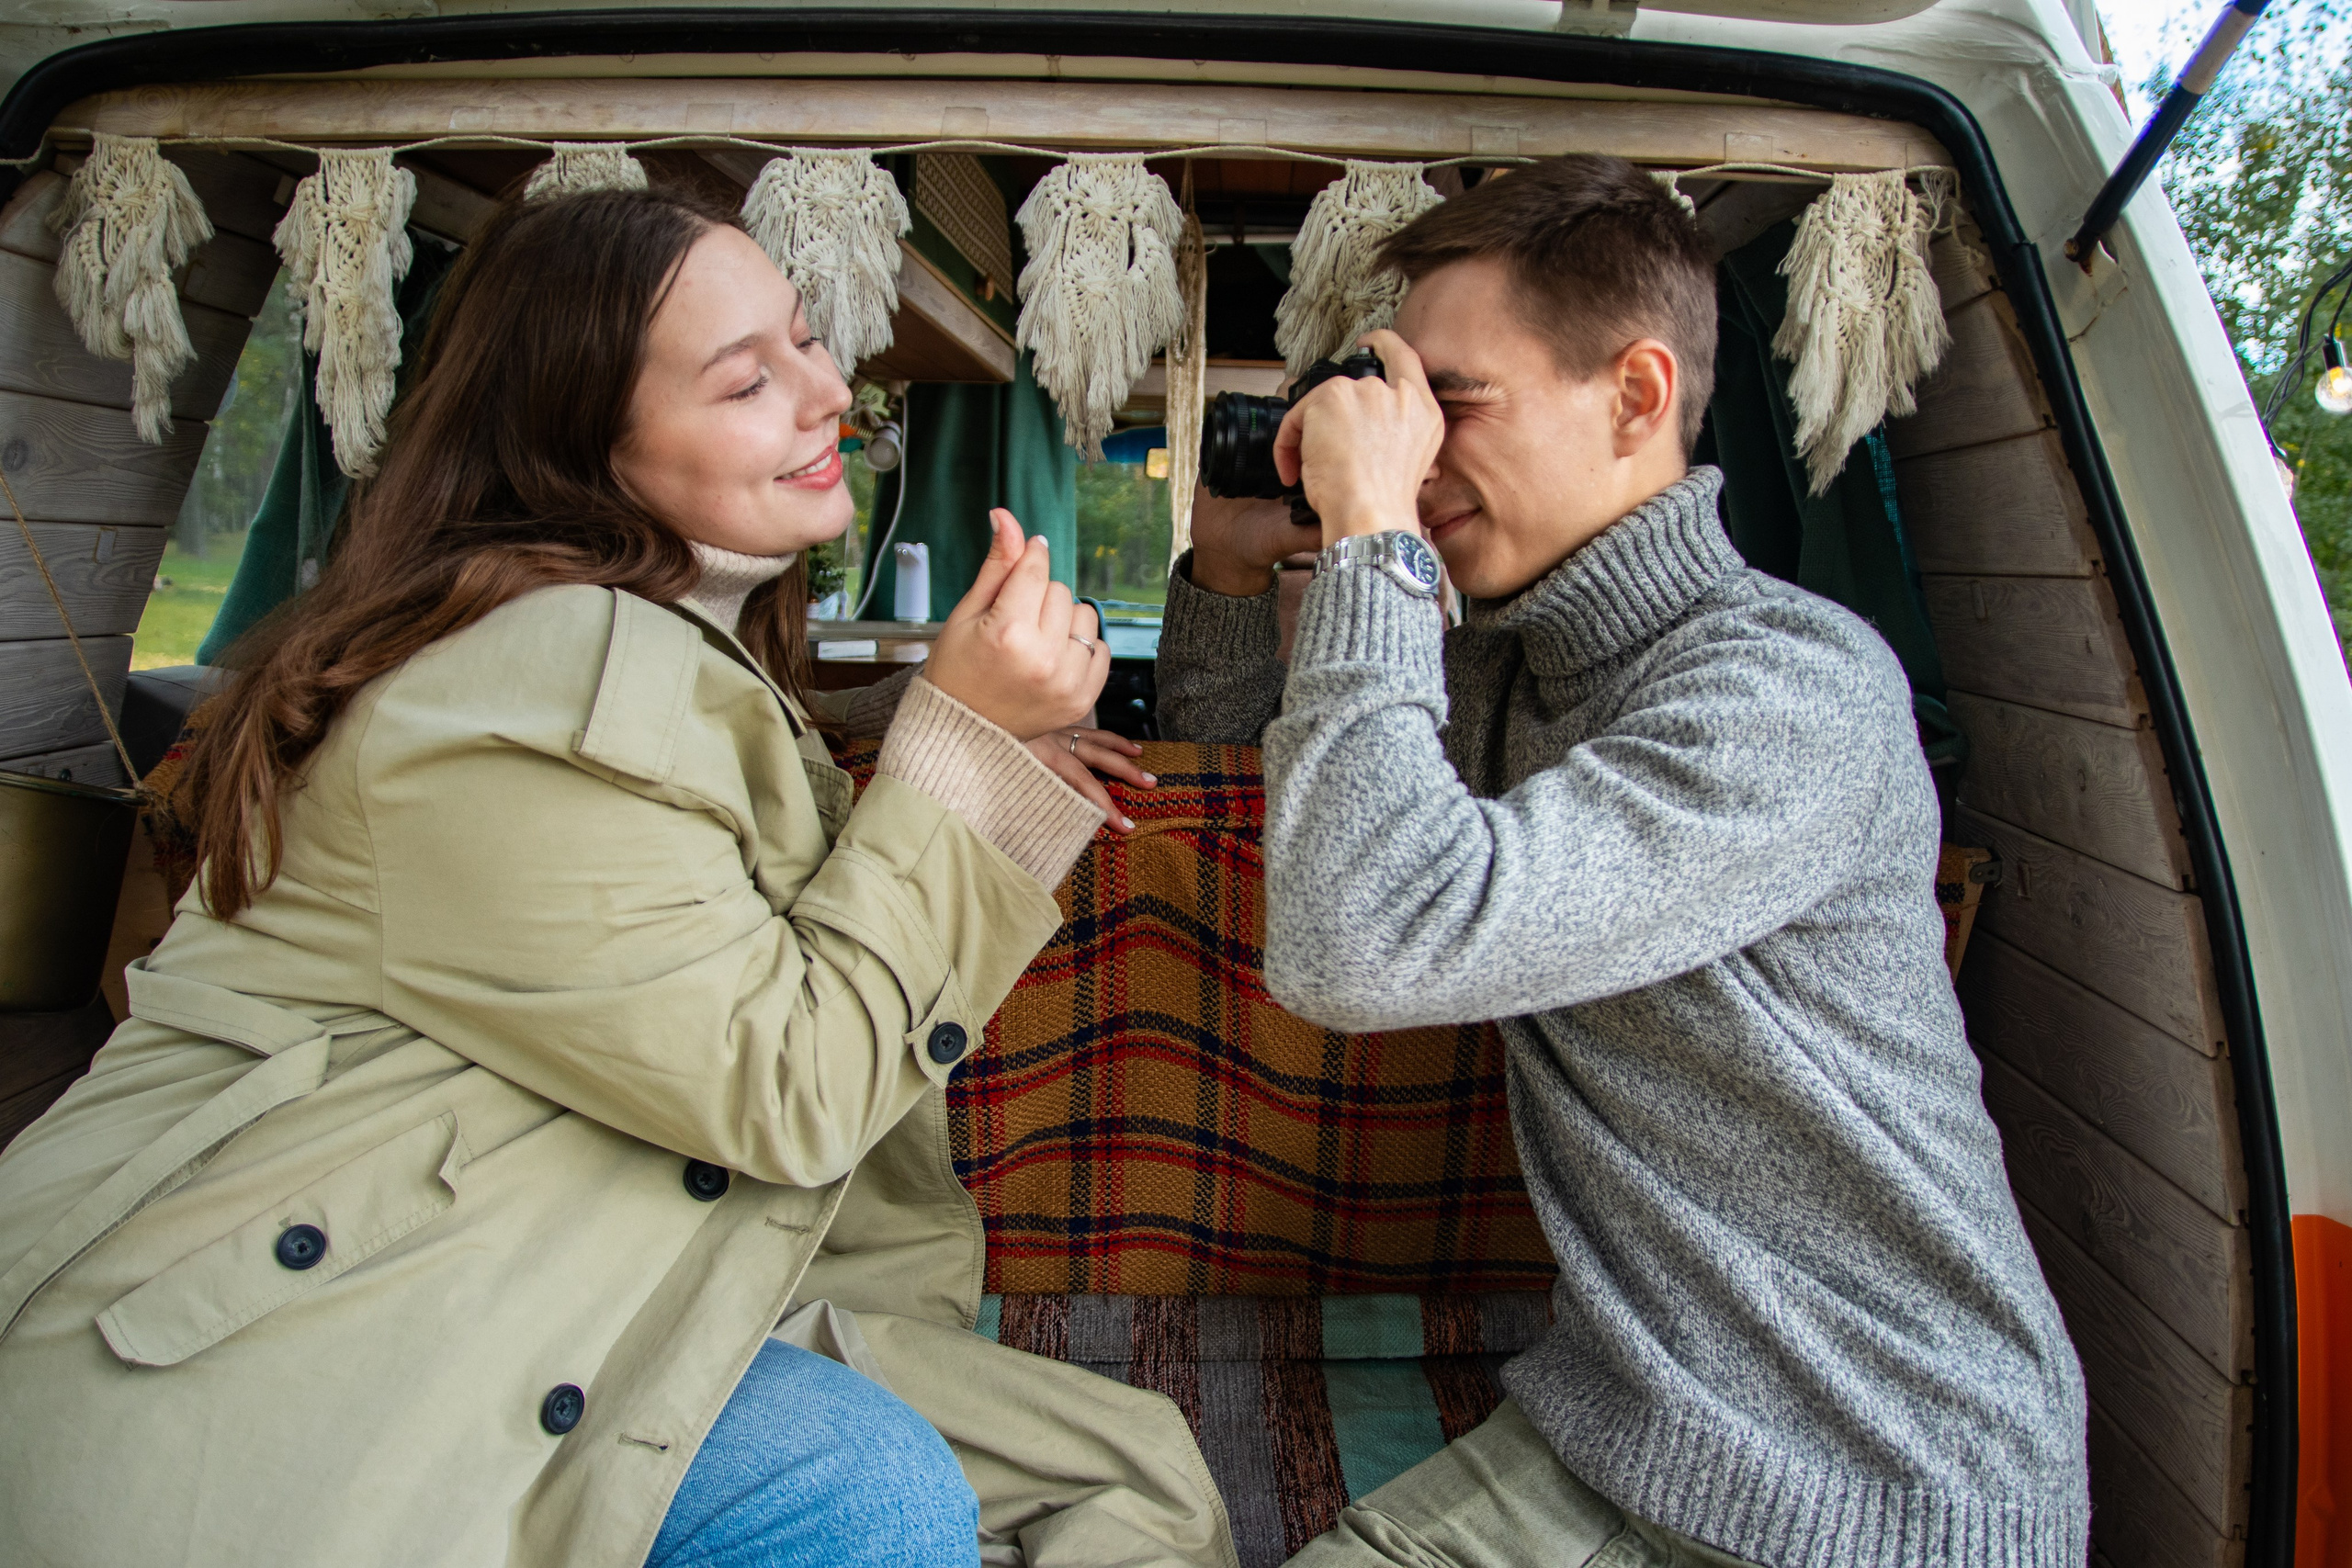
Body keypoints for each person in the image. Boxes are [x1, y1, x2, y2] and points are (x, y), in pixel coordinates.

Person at [0, 187, 1228, 1568]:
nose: (831, 393)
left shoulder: (618, 640)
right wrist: (961, 749)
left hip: (533, 1256)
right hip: (274, 1352)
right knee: (876, 1493)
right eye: (748, 379)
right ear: (583, 442)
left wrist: (948, 751)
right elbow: (789, 1081)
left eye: (812, 341)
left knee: (1137, 1480)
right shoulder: (519, 683)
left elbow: (692, 861)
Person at [1155, 155, 2088, 1568]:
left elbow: (1362, 944)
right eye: (1397, 407)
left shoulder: (1792, 688)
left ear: (1637, 395)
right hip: (1629, 1422)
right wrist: (1233, 572)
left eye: (1449, 404)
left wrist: (1374, 544)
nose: (1412, 450)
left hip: (1876, 1476)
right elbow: (1256, 799)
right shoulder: (1508, 666)